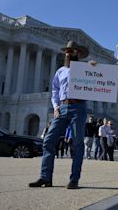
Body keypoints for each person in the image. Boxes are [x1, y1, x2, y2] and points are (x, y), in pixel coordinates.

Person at [29, 40, 91, 189]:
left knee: (77, 143)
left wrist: (95, 67)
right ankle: (46, 177)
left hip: (78, 107)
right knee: (48, 140)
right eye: (67, 51)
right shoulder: (60, 71)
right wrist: (56, 106)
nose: (68, 53)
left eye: (72, 51)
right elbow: (55, 90)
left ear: (79, 53)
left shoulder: (86, 68)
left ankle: (74, 179)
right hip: (62, 107)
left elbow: (98, 79)